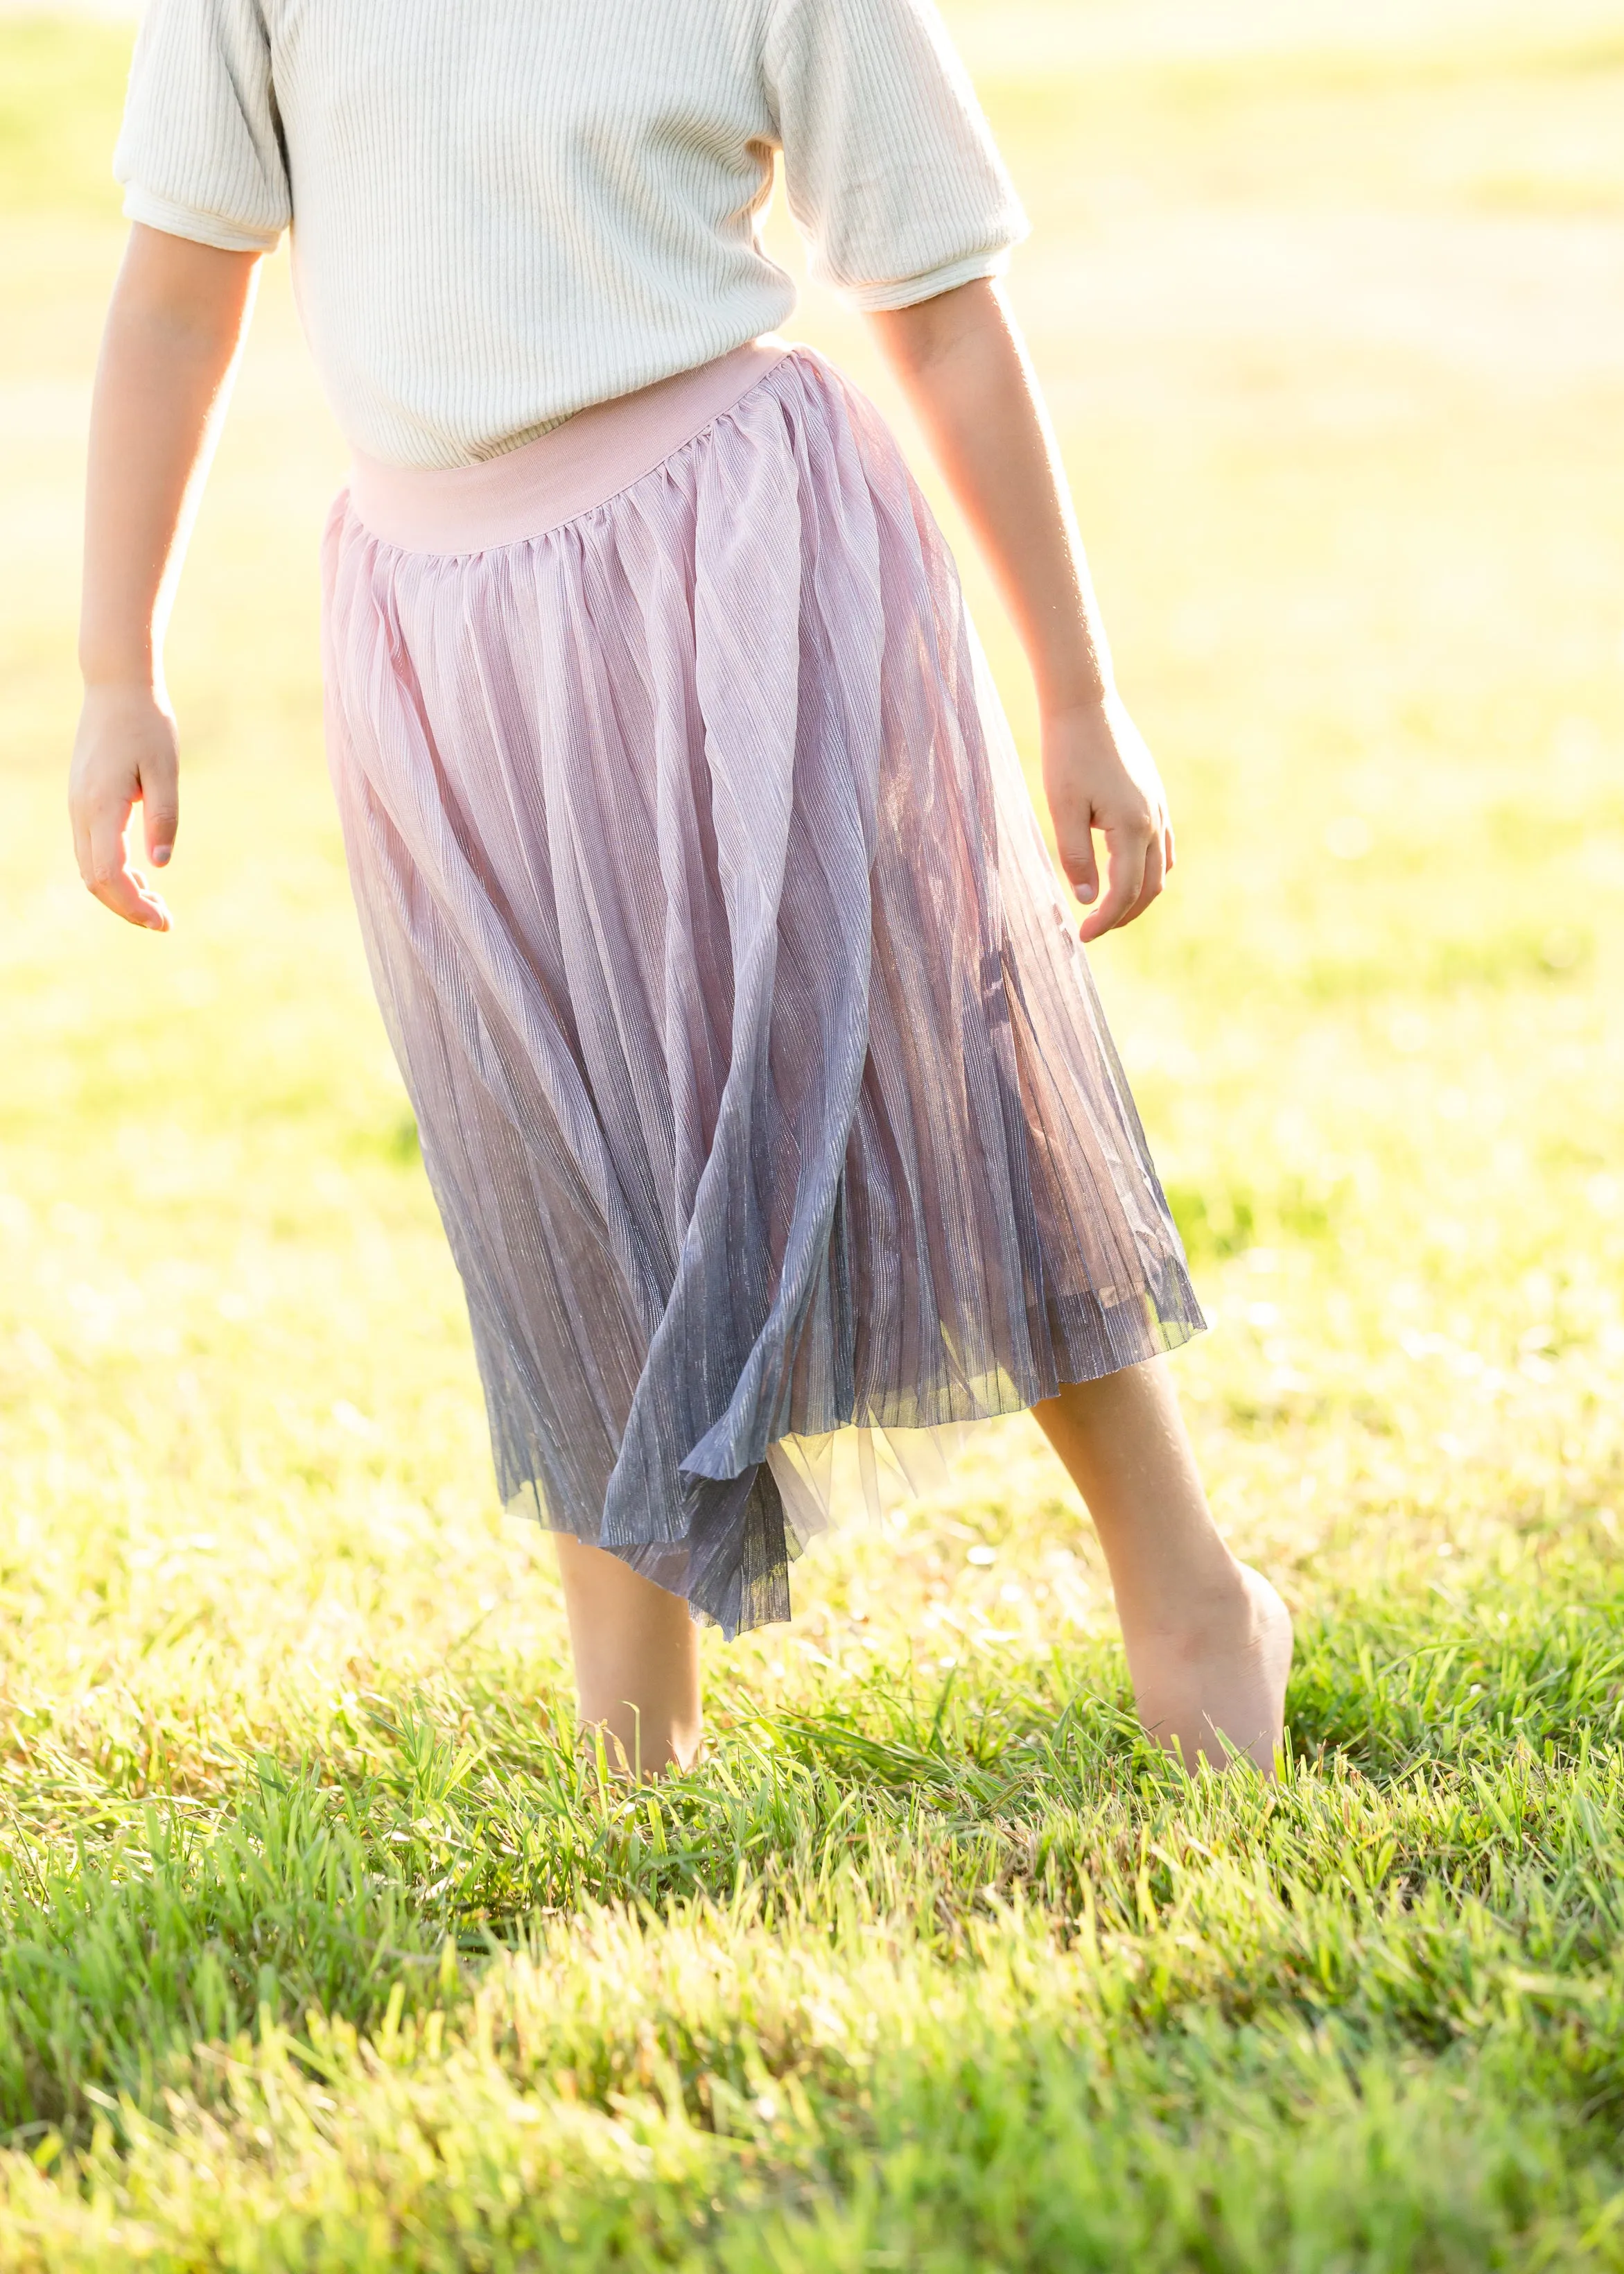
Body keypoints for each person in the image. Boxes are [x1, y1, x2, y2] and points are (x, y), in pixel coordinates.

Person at [69, 0, 1291, 1777]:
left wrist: (1080, 696)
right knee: (550, 1152)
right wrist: (121, 667)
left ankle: (1187, 1591)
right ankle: (631, 1732)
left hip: (747, 568)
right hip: (442, 632)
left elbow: (941, 310)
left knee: (919, 1089)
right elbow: (177, 295)